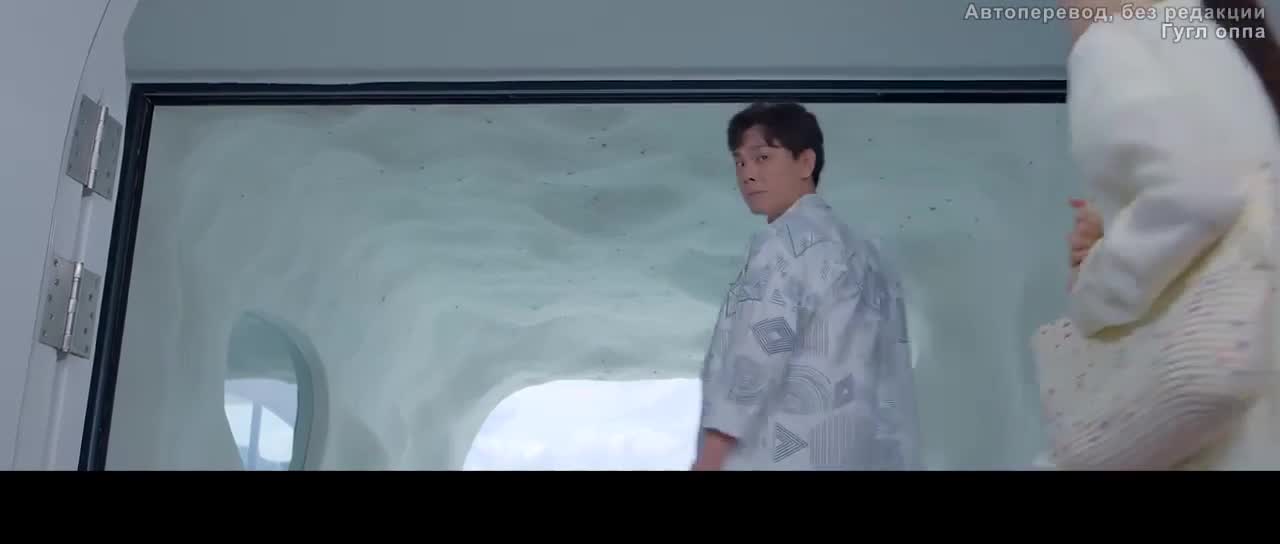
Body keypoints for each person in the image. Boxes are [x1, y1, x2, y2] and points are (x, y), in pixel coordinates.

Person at [1059, 0, 1280, 469]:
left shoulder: (1115, 45)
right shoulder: (1213, 42)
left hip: (1207, 410)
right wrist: (1117, 227)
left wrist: (1095, 284)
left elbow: (1199, 193)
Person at [691, 102, 922, 470]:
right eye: (740, 162)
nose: (747, 173)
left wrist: (712, 454)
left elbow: (757, 355)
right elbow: (893, 376)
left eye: (762, 157)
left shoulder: (784, 243)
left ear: (806, 162)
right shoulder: (871, 256)